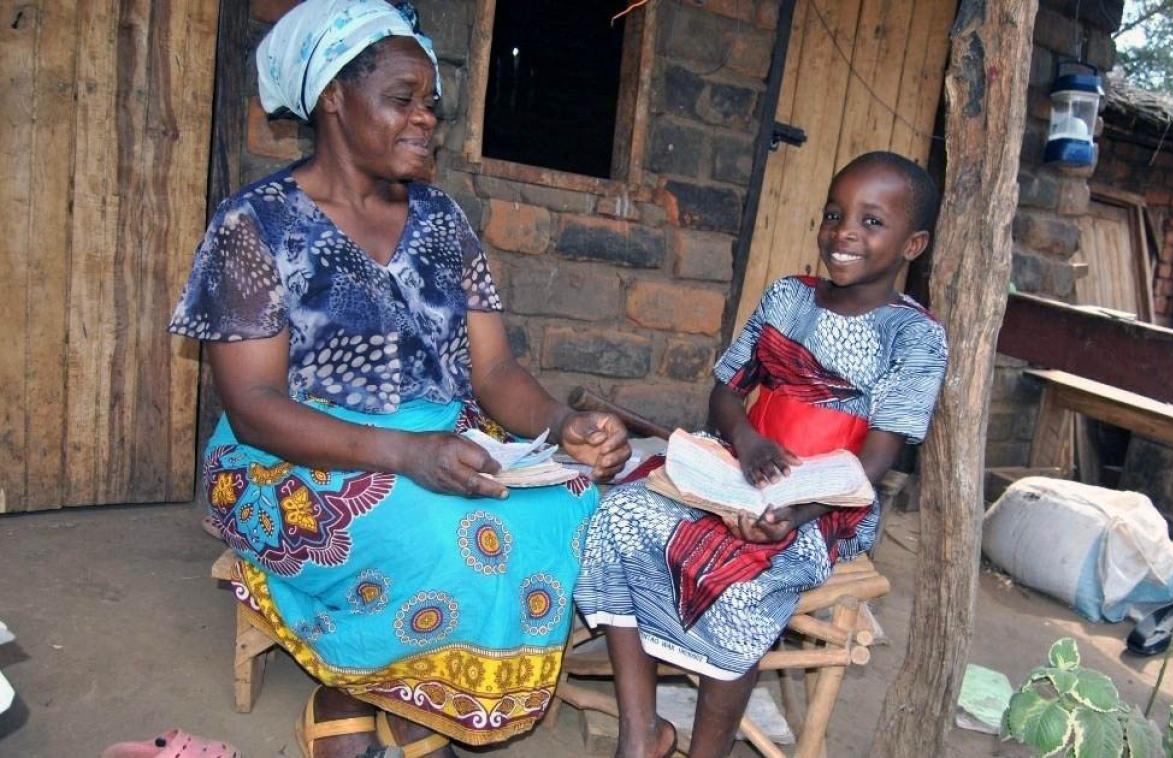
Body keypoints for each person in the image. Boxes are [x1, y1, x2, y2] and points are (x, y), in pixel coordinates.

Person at [168, 2, 630, 756]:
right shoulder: (255, 226)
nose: (426, 121)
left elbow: (495, 370)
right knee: (452, 533)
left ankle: (405, 706)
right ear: (332, 99)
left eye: (431, 106)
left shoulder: (443, 221)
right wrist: (408, 455)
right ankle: (395, 699)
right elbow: (252, 406)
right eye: (402, 100)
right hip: (288, 453)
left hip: (434, 432)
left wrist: (556, 425)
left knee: (569, 497)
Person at [574, 151, 948, 758]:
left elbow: (877, 460)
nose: (844, 232)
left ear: (914, 244)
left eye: (872, 222)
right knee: (617, 518)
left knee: (742, 581)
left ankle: (709, 750)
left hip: (829, 502)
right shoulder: (787, 297)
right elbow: (727, 390)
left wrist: (793, 513)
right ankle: (640, 734)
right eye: (834, 214)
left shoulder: (915, 336)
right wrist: (747, 444)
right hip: (738, 465)